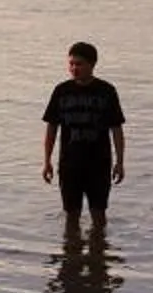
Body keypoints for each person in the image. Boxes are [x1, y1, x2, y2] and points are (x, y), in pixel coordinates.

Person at [40, 41, 126, 227]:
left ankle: (99, 251)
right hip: (70, 162)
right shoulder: (61, 91)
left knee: (99, 213)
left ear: (92, 64)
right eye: (71, 64)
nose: (74, 68)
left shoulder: (106, 91)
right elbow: (51, 128)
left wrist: (120, 162)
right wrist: (47, 161)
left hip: (99, 162)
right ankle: (72, 252)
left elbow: (116, 129)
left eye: (79, 64)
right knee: (71, 214)